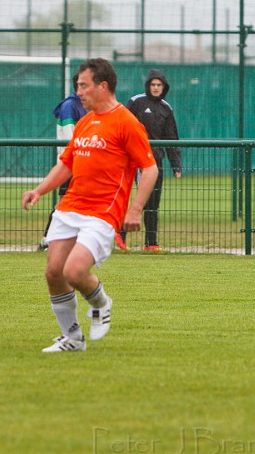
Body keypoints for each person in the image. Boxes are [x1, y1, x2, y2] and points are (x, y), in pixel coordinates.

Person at [21, 58, 158, 353]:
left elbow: (150, 169)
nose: (79, 92)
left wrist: (135, 210)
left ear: (102, 86)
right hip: (70, 206)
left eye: (83, 85)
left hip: (102, 212)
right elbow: (66, 164)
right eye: (78, 86)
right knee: (53, 272)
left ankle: (100, 302)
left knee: (74, 271)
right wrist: (40, 190)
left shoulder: (126, 122)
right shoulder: (85, 121)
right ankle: (72, 338)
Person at [118, 69, 182, 252]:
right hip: (137, 161)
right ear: (148, 85)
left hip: (156, 161)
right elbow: (121, 126)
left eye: (159, 85)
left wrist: (175, 164)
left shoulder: (166, 108)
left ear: (164, 87)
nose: (155, 88)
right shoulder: (136, 102)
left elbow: (172, 138)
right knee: (144, 198)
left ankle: (151, 242)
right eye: (153, 84)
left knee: (154, 201)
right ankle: (121, 232)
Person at [39, 73, 87, 251]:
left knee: (72, 203)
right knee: (64, 203)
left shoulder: (82, 106)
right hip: (72, 163)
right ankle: (47, 240)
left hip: (80, 162)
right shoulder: (70, 106)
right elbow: (70, 137)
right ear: (79, 86)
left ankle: (60, 241)